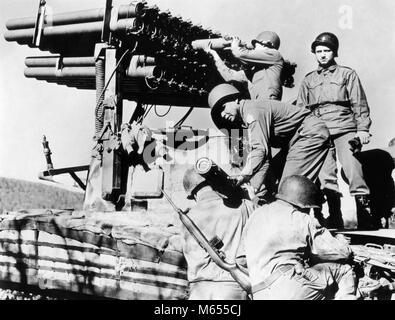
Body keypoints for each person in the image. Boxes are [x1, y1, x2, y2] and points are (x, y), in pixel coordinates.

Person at [296, 32, 375, 230]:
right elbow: (301, 109)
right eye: (318, 51)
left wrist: (363, 129)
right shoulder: (308, 80)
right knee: (325, 177)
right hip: (319, 131)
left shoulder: (347, 74)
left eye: (327, 50)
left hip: (345, 127)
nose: (322, 55)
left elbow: (359, 102)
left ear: (334, 52)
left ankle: (365, 217)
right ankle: (335, 218)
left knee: (353, 170)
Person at [208, 83, 330, 203]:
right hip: (297, 140)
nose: (222, 115)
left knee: (287, 188)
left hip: (309, 134)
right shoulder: (248, 116)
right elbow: (263, 159)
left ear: (235, 99)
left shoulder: (252, 112)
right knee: (273, 182)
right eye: (219, 113)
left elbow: (260, 150)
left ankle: (298, 219)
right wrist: (254, 189)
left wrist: (243, 176)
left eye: (223, 107)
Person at [243, 175, 358, 300]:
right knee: (344, 271)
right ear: (303, 204)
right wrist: (340, 240)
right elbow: (341, 252)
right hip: (289, 289)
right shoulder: (302, 219)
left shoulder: (255, 215)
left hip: (259, 293)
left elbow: (240, 260)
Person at [180, 166, 254, 300]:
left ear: (193, 194)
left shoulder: (187, 218)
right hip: (232, 288)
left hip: (198, 292)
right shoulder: (244, 206)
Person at [205, 31, 284, 100]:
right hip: (258, 106)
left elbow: (241, 54)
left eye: (255, 46)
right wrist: (214, 54)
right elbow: (230, 76)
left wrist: (235, 45)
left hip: (269, 103)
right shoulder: (254, 71)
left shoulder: (274, 55)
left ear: (265, 44)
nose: (253, 49)